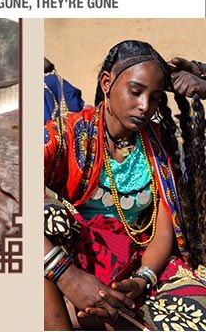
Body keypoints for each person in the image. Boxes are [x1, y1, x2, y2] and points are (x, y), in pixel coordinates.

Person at [44, 41, 206, 330]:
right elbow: (7, 186)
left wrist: (143, 278)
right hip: (72, 263)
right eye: (135, 91)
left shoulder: (157, 144)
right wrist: (67, 275)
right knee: (46, 213)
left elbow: (162, 225)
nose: (145, 106)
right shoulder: (66, 134)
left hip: (136, 264)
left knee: (198, 312)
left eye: (155, 97)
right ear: (107, 82)